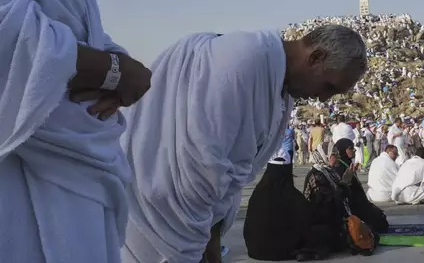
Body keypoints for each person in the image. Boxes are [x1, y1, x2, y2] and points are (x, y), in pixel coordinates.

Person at [0, 0, 152, 262]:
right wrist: (117, 73)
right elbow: (11, 36)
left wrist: (112, 64)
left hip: (77, 179)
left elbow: (84, 34)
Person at [120, 25, 368, 263]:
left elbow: (228, 174)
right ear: (315, 57)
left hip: (194, 224)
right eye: (329, 87)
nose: (324, 98)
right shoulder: (243, 61)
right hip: (155, 212)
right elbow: (202, 164)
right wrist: (201, 238)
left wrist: (212, 234)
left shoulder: (280, 90)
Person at [243, 149, 336, 261]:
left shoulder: (258, 192)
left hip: (256, 250)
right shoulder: (292, 196)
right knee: (324, 231)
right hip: (282, 251)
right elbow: (311, 217)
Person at [331, 138, 389, 234]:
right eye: (350, 148)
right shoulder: (339, 167)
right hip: (351, 207)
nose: (354, 150)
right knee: (377, 223)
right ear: (343, 150)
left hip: (358, 202)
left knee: (380, 218)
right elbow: (341, 193)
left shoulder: (347, 163)